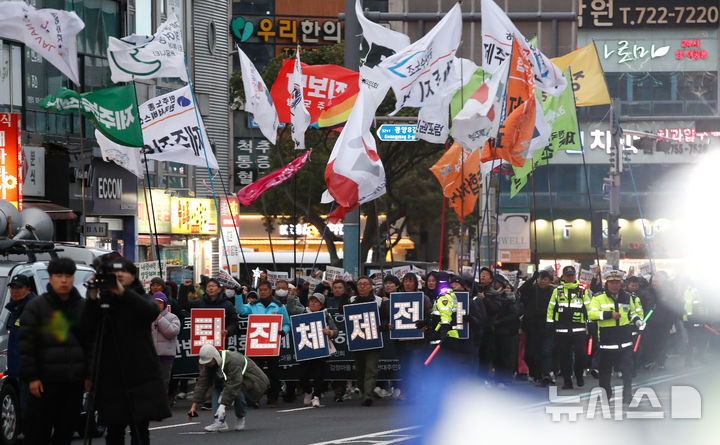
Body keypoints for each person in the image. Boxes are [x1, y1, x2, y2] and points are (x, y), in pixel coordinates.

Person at [83, 256, 171, 445]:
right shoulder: (104, 302)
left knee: (140, 430)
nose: (119, 274)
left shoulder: (143, 297)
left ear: (133, 275)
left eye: (124, 271)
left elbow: (150, 312)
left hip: (140, 375)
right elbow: (85, 328)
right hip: (110, 375)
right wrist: (91, 297)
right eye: (115, 272)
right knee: (114, 430)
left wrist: (122, 292)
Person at [19, 258, 89, 445]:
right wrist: (32, 377)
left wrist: (88, 375)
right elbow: (27, 345)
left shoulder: (83, 307)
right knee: (38, 433)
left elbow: (90, 344)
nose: (64, 280)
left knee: (65, 433)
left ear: (74, 278)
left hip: (73, 383)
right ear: (50, 278)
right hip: (44, 383)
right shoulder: (37, 307)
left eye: (68, 276)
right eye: (59, 276)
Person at [588, 271, 644, 405]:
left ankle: (627, 395)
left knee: (628, 370)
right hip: (607, 341)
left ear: (621, 283)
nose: (614, 285)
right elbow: (591, 314)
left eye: (617, 282)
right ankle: (606, 394)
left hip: (624, 341)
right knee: (605, 372)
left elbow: (632, 312)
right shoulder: (598, 297)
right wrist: (609, 315)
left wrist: (637, 320)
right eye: (612, 282)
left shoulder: (627, 297)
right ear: (607, 283)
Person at [188, 344, 270, 432]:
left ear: (215, 357)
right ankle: (219, 422)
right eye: (205, 363)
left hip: (252, 381)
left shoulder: (233, 361)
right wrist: (193, 406)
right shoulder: (209, 365)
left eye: (209, 362)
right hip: (231, 381)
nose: (207, 364)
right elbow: (202, 382)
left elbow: (233, 384)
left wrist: (222, 405)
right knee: (216, 386)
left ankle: (240, 417)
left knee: (237, 392)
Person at [236, 281, 290, 406]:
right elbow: (240, 310)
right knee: (255, 373)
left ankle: (273, 398)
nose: (263, 292)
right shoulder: (253, 305)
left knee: (273, 372)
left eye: (265, 289)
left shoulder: (279, 306)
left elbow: (287, 323)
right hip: (256, 345)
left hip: (272, 345)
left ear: (271, 291)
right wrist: (238, 296)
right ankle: (255, 398)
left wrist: (283, 331)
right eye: (261, 290)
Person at [288, 293, 338, 407]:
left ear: (321, 305)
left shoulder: (326, 315)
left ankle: (316, 396)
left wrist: (329, 332)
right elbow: (290, 308)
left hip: (321, 349)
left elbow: (336, 330)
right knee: (302, 374)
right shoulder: (303, 312)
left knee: (318, 374)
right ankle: (308, 391)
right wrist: (291, 296)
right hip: (305, 349)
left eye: (316, 302)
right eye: (311, 301)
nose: (313, 303)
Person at [546, 265, 591, 389]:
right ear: (563, 277)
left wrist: (591, 322)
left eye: (572, 275)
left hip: (579, 328)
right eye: (568, 275)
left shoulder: (582, 290)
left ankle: (578, 373)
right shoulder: (557, 291)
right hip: (562, 329)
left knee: (581, 354)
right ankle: (567, 381)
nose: (570, 278)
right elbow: (551, 308)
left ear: (575, 276)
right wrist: (550, 323)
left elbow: (588, 306)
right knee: (564, 356)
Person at [5, 275, 36, 438]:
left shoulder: (32, 308)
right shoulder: (16, 308)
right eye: (12, 288)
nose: (14, 291)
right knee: (26, 413)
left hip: (32, 374)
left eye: (19, 287)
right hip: (21, 372)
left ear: (28, 289)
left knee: (32, 414)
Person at [348, 277, 382, 406]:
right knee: (360, 370)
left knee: (371, 369)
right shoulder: (351, 300)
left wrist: (381, 327)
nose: (362, 286)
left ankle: (368, 395)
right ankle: (364, 391)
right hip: (358, 340)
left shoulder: (378, 301)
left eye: (365, 284)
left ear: (371, 286)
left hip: (373, 340)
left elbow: (384, 319)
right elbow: (342, 311)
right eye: (359, 284)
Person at [519, 270, 555, 385]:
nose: (542, 281)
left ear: (550, 281)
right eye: (541, 278)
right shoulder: (532, 289)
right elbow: (521, 290)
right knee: (529, 354)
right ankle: (535, 373)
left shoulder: (553, 292)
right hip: (531, 327)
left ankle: (544, 374)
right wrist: (531, 279)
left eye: (545, 279)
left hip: (547, 326)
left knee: (545, 352)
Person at [189, 278, 239, 347]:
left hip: (220, 342)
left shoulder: (227, 304)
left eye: (213, 286)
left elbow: (234, 323)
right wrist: (185, 287)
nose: (211, 288)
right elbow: (183, 305)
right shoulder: (199, 303)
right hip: (202, 343)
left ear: (219, 289)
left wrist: (228, 331)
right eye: (208, 286)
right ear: (206, 289)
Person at [151, 292, 181, 395]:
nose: (157, 305)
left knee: (163, 383)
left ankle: (161, 407)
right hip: (150, 356)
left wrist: (160, 319)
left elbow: (171, 332)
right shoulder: (147, 317)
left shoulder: (173, 317)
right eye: (155, 302)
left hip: (165, 356)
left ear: (165, 304)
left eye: (160, 302)